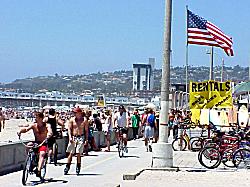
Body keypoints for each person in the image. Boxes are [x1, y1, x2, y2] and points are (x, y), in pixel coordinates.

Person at [17, 111, 53, 178]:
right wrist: (20, 131)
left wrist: (49, 135)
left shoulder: (47, 125)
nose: (35, 119)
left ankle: (38, 170)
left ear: (41, 118)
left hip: (43, 143)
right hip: (36, 142)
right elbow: (26, 129)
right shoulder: (34, 125)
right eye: (35, 117)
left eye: (37, 117)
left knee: (42, 154)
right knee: (29, 144)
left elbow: (50, 131)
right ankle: (29, 160)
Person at [64, 107, 88, 175]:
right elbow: (69, 129)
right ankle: (67, 166)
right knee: (70, 153)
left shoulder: (84, 120)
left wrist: (86, 139)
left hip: (81, 137)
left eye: (75, 112)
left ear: (79, 113)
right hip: (73, 137)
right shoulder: (72, 120)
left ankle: (78, 166)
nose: (74, 114)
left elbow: (86, 131)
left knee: (78, 153)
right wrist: (70, 137)